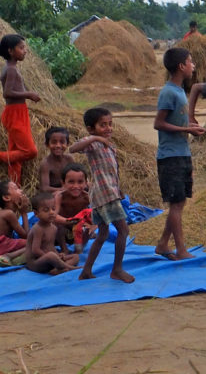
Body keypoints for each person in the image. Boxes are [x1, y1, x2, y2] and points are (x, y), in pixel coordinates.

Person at [69, 108, 134, 283]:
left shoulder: (110, 147)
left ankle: (86, 271)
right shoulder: (94, 144)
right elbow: (73, 148)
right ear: (91, 129)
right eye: (102, 125)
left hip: (108, 194)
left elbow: (112, 171)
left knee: (103, 234)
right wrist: (96, 138)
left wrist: (118, 188)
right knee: (123, 230)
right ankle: (117, 270)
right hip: (105, 196)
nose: (108, 128)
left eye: (110, 124)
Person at [154, 48, 206, 260]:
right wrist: (187, 130)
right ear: (181, 66)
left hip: (182, 153)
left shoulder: (179, 92)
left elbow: (176, 119)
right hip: (170, 156)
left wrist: (190, 124)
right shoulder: (168, 92)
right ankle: (181, 249)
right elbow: (158, 123)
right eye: (190, 62)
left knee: (180, 202)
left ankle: (163, 244)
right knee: (175, 204)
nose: (193, 66)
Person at [0, 34, 40, 184]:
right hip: (14, 113)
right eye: (21, 48)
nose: (25, 51)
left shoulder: (12, 68)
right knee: (30, 151)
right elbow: (7, 93)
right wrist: (29, 94)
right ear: (11, 51)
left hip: (19, 111)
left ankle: (14, 185)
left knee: (15, 153)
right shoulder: (10, 70)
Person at [25, 192, 79, 275]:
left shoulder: (53, 227)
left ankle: (58, 269)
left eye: (53, 209)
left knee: (76, 257)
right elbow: (35, 250)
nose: (51, 212)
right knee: (51, 255)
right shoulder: (38, 228)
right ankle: (69, 267)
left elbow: (51, 246)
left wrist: (58, 255)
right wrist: (51, 257)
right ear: (36, 213)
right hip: (36, 263)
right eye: (46, 210)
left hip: (50, 260)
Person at [0, 180, 29, 267]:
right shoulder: (9, 213)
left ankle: (7, 259)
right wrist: (24, 213)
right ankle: (8, 256)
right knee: (33, 243)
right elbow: (26, 236)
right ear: (7, 197)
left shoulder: (6, 213)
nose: (21, 191)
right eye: (16, 188)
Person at [52, 163, 93, 254]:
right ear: (63, 183)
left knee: (88, 226)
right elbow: (54, 216)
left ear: (86, 183)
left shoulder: (86, 197)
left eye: (80, 182)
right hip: (63, 227)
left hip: (78, 228)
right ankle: (64, 248)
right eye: (71, 182)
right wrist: (70, 221)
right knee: (57, 226)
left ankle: (80, 248)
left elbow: (97, 212)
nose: (76, 186)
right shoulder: (60, 196)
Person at [38, 127, 75, 193]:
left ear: (67, 144)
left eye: (62, 142)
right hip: (53, 193)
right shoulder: (46, 164)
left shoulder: (69, 159)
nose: (58, 145)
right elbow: (44, 188)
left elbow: (76, 175)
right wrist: (63, 190)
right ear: (47, 145)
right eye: (54, 142)